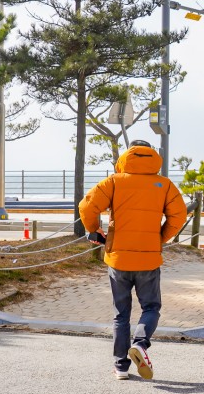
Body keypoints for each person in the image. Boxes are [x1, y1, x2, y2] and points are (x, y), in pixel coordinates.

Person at [79, 139, 188, 381]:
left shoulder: (114, 182)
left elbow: (87, 206)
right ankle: (140, 343)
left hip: (118, 257)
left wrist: (94, 230)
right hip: (149, 258)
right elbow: (179, 215)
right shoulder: (165, 184)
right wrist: (161, 237)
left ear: (126, 157)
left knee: (121, 313)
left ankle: (120, 367)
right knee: (151, 307)